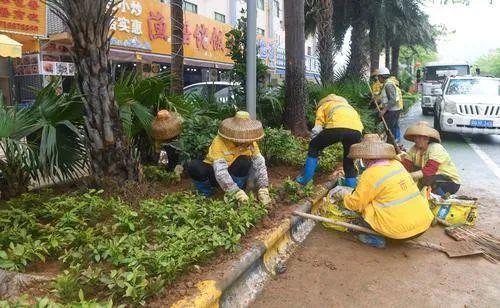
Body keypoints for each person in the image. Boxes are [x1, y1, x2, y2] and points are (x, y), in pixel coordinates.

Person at [331, 134, 434, 248]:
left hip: (398, 232)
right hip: (423, 224)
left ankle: (374, 238)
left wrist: (343, 195)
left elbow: (355, 204)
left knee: (366, 207)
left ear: (364, 158)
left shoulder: (370, 174)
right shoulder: (397, 164)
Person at [187, 111, 271, 205]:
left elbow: (260, 163)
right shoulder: (219, 142)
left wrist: (263, 187)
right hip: (214, 174)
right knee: (194, 166)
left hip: (234, 173)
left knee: (244, 161)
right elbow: (220, 171)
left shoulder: (250, 142)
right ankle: (207, 194)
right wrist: (234, 191)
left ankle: (239, 191)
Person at [296, 94, 363, 188]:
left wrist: (315, 140)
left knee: (314, 146)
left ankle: (305, 180)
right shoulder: (348, 107)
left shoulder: (324, 105)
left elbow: (317, 127)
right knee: (349, 160)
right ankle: (350, 188)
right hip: (356, 131)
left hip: (336, 127)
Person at [400, 121, 461, 196]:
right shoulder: (414, 149)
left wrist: (408, 176)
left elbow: (429, 170)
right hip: (432, 177)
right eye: (415, 137)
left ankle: (442, 199)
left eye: (419, 137)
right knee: (415, 176)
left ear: (427, 138)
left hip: (450, 182)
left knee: (428, 179)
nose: (416, 139)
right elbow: (406, 165)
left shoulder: (436, 148)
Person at [378, 67, 403, 143]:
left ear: (382, 76)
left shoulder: (388, 85)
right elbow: (385, 98)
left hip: (392, 111)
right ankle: (393, 144)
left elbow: (393, 100)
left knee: (390, 130)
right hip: (393, 110)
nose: (378, 79)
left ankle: (391, 146)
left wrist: (384, 111)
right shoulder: (387, 84)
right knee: (392, 129)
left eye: (378, 77)